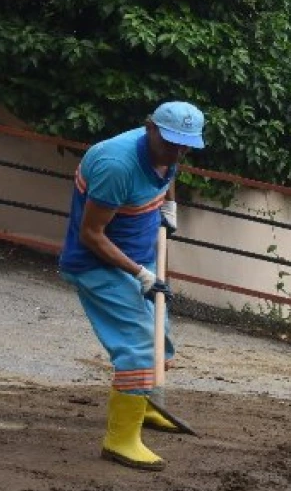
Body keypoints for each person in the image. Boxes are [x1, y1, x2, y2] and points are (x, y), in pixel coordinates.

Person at [59, 101, 205, 471]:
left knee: (161, 338)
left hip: (140, 253)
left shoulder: (171, 150)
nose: (177, 152)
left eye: (184, 145)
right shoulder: (116, 165)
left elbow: (168, 170)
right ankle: (120, 440)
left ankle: (147, 404)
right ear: (149, 127)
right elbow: (90, 235)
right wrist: (141, 275)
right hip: (100, 264)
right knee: (139, 345)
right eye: (171, 143)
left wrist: (169, 207)